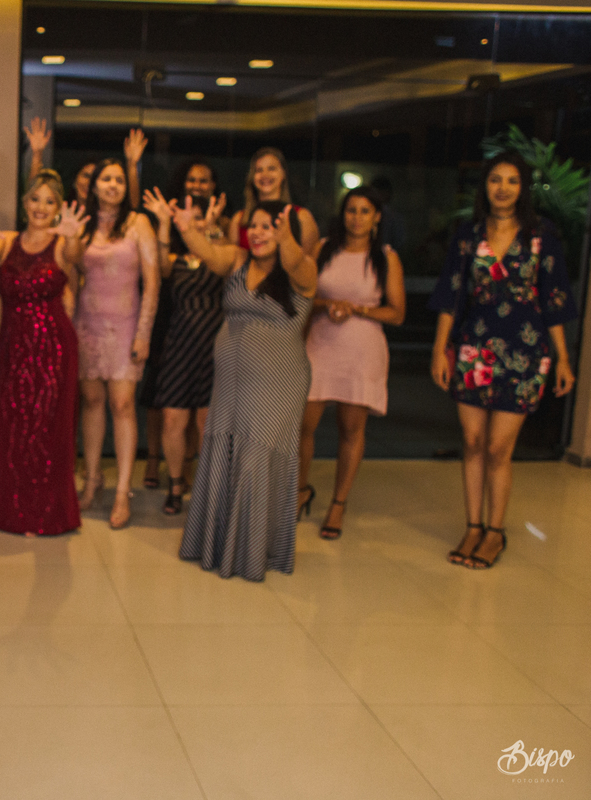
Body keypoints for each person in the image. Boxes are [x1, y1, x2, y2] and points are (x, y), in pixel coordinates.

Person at [428, 151, 577, 569]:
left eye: (512, 181)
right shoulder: (468, 234)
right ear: (485, 186)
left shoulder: (541, 236)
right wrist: (441, 349)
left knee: (497, 448)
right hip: (475, 349)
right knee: (472, 443)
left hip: (525, 356)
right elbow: (449, 296)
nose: (503, 188)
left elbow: (555, 299)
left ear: (523, 189)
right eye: (496, 179)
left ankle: (495, 532)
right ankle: (472, 526)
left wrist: (563, 359)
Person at [175, 198, 317, 581]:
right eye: (252, 225)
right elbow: (207, 253)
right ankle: (218, 544)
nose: (256, 232)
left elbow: (294, 262)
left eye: (267, 226)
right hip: (231, 382)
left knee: (256, 458)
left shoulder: (302, 271)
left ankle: (252, 552)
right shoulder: (238, 260)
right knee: (225, 450)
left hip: (278, 382)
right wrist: (187, 228)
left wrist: (287, 238)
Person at [0, 171, 88, 536]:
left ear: (58, 208)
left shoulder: (63, 242)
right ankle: (10, 510)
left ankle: (49, 513)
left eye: (49, 201)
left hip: (53, 350)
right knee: (14, 426)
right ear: (25, 203)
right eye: (35, 199)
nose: (41, 207)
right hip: (12, 349)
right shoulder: (6, 240)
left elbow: (75, 255)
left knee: (48, 430)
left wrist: (73, 237)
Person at [298, 187, 406, 539]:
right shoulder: (323, 248)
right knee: (303, 424)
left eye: (364, 211)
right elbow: (303, 296)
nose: (356, 217)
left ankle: (338, 505)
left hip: (361, 350)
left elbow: (396, 313)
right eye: (350, 210)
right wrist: (326, 305)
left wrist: (357, 308)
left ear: (376, 218)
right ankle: (298, 489)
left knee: (350, 428)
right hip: (320, 343)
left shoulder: (386, 258)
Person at [71, 158, 160, 529]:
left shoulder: (138, 223)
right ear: (93, 186)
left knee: (122, 405)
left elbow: (153, 283)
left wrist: (144, 333)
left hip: (126, 325)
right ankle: (93, 479)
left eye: (119, 180)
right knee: (91, 402)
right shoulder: (84, 223)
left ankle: (123, 491)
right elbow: (70, 268)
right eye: (106, 179)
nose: (112, 185)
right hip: (86, 323)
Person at [140, 157, 224, 491]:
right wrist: (166, 224)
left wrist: (211, 229)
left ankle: (205, 485)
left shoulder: (221, 239)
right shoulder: (172, 241)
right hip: (175, 336)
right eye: (192, 180)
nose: (197, 187)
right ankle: (173, 480)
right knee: (171, 414)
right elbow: (160, 271)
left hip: (214, 341)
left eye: (204, 181)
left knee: (206, 421)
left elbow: (227, 268)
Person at [23, 117, 145, 208]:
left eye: (94, 177)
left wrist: (132, 164)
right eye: (86, 175)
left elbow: (133, 204)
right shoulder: (59, 209)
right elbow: (32, 196)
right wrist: (37, 155)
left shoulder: (103, 215)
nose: (89, 182)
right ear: (75, 180)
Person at [228, 147, 319, 256]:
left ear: (283, 173)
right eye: (259, 170)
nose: (265, 175)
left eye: (271, 168)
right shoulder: (239, 220)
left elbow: (309, 266)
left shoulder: (302, 217)